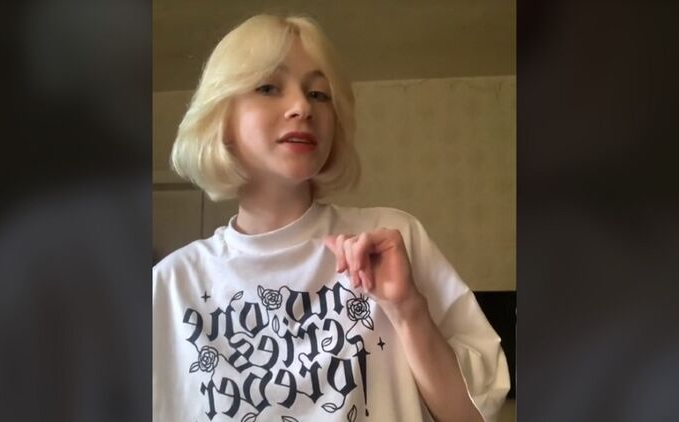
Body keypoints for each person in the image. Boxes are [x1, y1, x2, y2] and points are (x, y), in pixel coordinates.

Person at [153, 14, 510, 422]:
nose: (302, 107)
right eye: (269, 87)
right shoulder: (169, 287)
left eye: (319, 94)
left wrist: (408, 310)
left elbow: (474, 416)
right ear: (222, 119)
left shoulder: (394, 239)